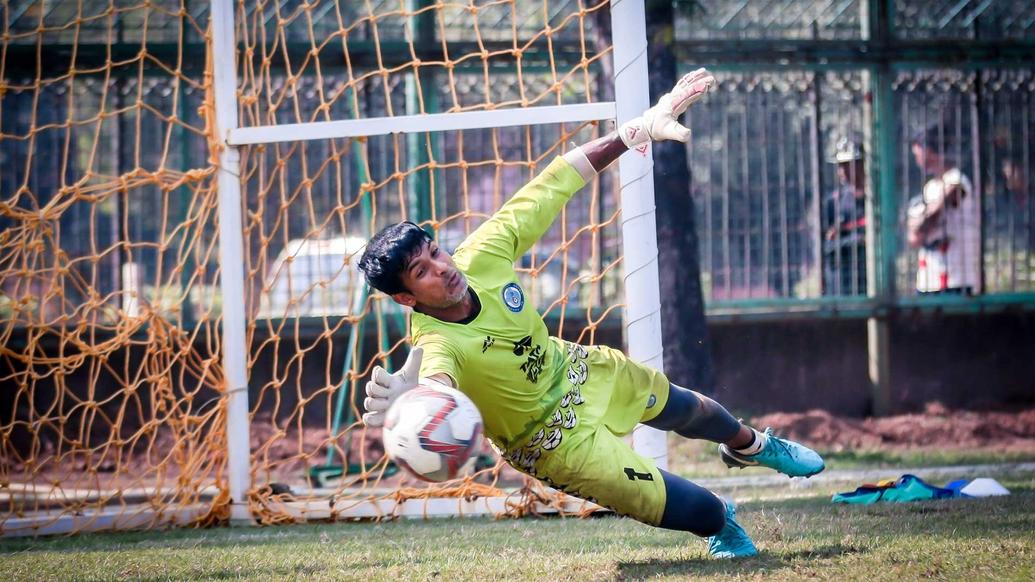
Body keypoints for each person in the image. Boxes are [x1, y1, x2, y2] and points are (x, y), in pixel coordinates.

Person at [358, 68, 825, 559]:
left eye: (435, 251)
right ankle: (720, 522)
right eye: (421, 271)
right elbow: (438, 383)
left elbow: (556, 181)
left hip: (578, 371)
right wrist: (417, 402)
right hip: (553, 443)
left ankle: (750, 445)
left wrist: (637, 129)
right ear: (406, 298)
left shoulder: (482, 254)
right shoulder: (436, 344)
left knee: (685, 409)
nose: (442, 267)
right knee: (697, 511)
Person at [906, 125, 981, 295]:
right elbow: (914, 237)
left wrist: (923, 221)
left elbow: (937, 211)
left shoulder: (957, 179)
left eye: (917, 152)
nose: (916, 157)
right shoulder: (929, 187)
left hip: (957, 278)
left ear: (928, 150)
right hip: (929, 280)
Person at [822, 138, 867, 296]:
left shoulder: (877, 202)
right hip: (841, 288)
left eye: (848, 164)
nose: (842, 171)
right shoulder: (833, 202)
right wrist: (857, 240)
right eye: (840, 166)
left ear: (862, 164)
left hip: (870, 285)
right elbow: (825, 246)